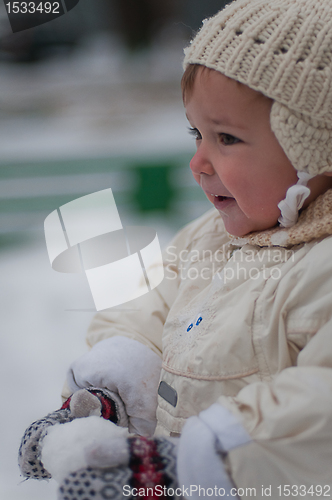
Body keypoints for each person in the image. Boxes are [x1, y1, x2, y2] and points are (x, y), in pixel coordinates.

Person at [19, 0, 332, 498]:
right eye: (196, 133)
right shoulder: (208, 239)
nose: (198, 162)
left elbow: (320, 409)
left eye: (227, 137)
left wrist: (198, 463)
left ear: (317, 149)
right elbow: (150, 310)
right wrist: (109, 394)